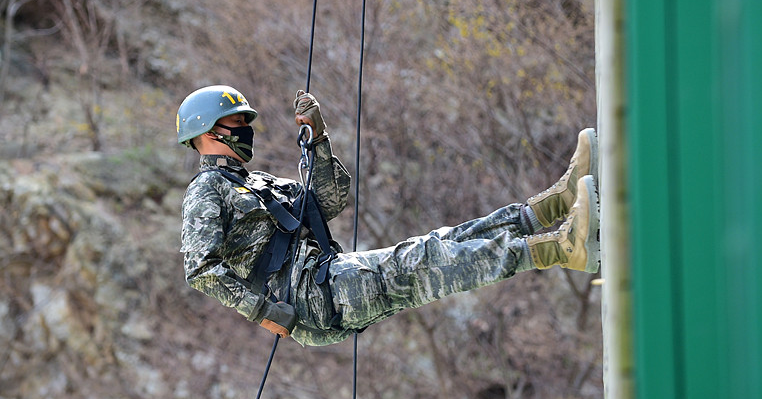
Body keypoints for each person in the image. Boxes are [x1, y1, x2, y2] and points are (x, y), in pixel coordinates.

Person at [178, 85, 600, 347]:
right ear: (207, 132)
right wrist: (262, 311)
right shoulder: (206, 190)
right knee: (420, 264)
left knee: (440, 245)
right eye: (236, 121)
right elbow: (200, 268)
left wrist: (318, 140)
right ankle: (562, 248)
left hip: (323, 279)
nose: (245, 128)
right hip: (309, 297)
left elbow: (326, 204)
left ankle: (553, 205)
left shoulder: (254, 182)